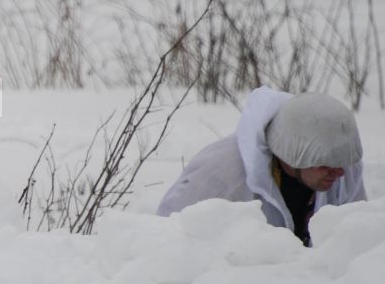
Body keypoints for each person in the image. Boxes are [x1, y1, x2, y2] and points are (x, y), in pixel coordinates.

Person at [156, 87, 367, 245]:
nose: (339, 172)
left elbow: (357, 242)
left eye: (343, 163)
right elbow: (165, 236)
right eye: (326, 165)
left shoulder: (344, 167)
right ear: (293, 156)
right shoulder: (222, 174)